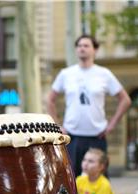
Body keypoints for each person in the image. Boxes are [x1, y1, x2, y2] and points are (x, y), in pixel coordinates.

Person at [47, 34, 131, 177]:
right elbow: (50, 100)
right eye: (79, 46)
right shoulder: (66, 74)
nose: (82, 49)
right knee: (71, 180)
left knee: (99, 181)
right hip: (72, 137)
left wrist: (112, 124)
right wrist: (57, 126)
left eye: (86, 46)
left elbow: (125, 100)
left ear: (95, 50)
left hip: (96, 137)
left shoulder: (104, 74)